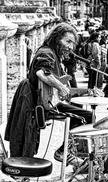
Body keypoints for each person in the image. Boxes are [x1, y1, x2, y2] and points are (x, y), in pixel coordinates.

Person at [5, 22, 92, 166]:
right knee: (85, 118)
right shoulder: (47, 52)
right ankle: (64, 152)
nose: (70, 46)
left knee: (88, 116)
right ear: (57, 38)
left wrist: (88, 92)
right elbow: (41, 72)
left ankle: (66, 151)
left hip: (48, 102)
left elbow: (61, 86)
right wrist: (60, 87)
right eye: (67, 41)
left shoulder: (55, 56)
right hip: (34, 103)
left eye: (72, 43)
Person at [85, 31, 101, 95]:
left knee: (91, 77)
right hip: (94, 62)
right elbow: (96, 54)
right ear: (96, 37)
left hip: (88, 61)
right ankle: (93, 90)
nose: (100, 38)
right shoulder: (95, 44)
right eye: (99, 37)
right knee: (94, 77)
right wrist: (98, 62)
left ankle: (90, 89)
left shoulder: (89, 43)